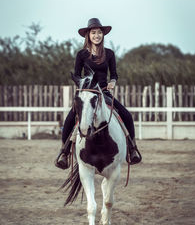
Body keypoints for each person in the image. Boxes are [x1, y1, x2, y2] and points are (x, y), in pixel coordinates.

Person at [55, 18, 142, 169]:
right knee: (70, 118)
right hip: (87, 93)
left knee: (126, 115)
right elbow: (76, 75)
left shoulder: (109, 54)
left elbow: (114, 74)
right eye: (93, 33)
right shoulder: (81, 55)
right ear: (88, 35)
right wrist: (82, 86)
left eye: (99, 33)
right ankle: (64, 152)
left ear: (103, 35)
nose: (97, 35)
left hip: (104, 92)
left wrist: (113, 82)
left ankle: (132, 149)